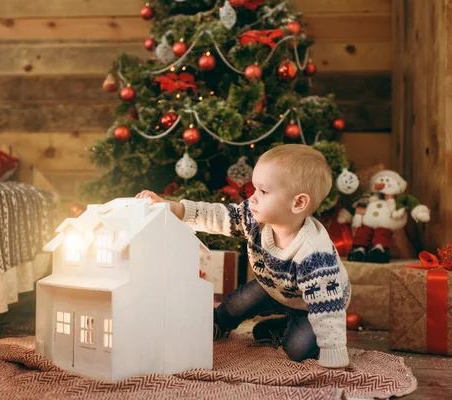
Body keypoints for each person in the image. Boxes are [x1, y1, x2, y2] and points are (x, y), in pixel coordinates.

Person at [136, 144, 350, 368]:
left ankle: (284, 327)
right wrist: (175, 209)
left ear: (298, 203)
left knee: (298, 348)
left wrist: (334, 352)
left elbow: (328, 312)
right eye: (255, 189)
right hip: (277, 288)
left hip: (314, 304)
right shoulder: (254, 217)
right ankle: (217, 323)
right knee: (239, 301)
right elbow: (218, 216)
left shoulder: (314, 255)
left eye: (263, 192)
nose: (252, 198)